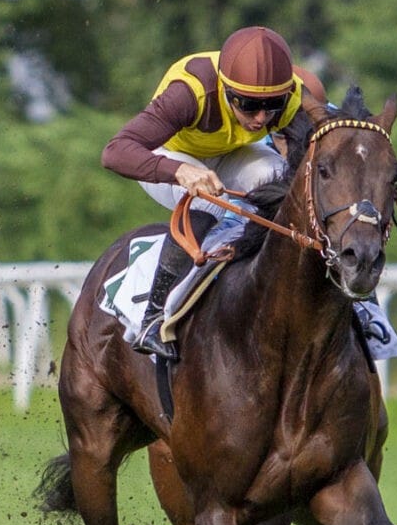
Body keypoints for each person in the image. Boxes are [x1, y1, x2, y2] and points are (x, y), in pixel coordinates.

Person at [103, 25, 303, 359]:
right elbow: (116, 151)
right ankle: (153, 317)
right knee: (209, 202)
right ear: (225, 89)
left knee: (277, 179)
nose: (260, 118)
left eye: (272, 106)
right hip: (170, 155)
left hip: (230, 155)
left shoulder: (292, 96)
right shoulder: (189, 93)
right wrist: (180, 172)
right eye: (249, 104)